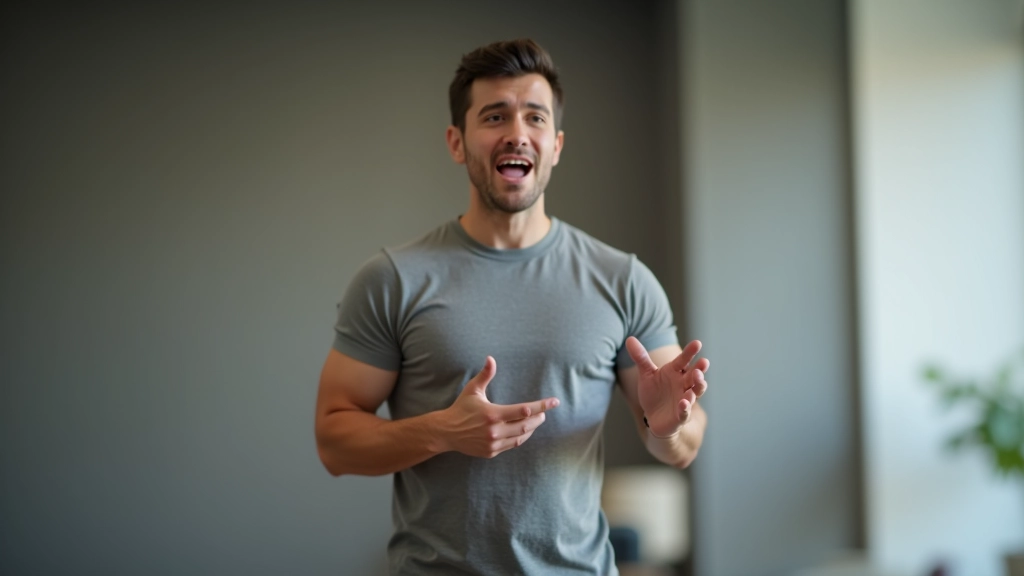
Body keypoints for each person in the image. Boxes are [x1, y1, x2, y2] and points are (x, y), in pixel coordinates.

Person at [314, 38, 710, 575]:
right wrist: (442, 431)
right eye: (494, 116)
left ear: (557, 144)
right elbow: (335, 443)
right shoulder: (392, 279)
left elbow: (682, 446)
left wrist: (663, 427)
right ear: (457, 142)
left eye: (535, 117)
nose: (517, 133)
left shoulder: (624, 279)